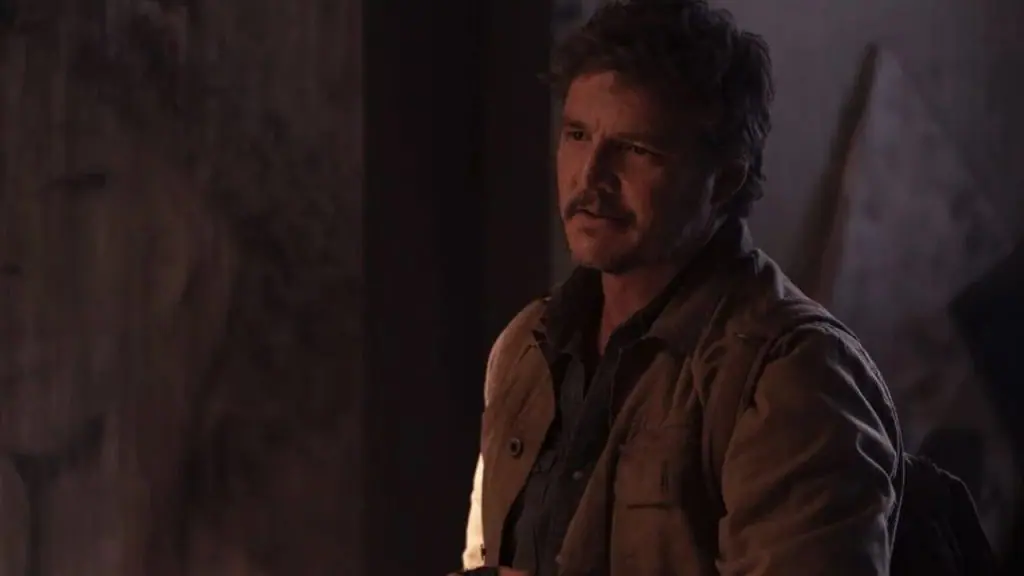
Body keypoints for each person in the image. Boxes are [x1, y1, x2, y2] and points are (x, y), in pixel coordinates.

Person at [456, 1, 905, 575]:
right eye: (577, 134)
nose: (590, 177)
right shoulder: (526, 347)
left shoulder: (790, 375)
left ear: (724, 180)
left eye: (637, 149)